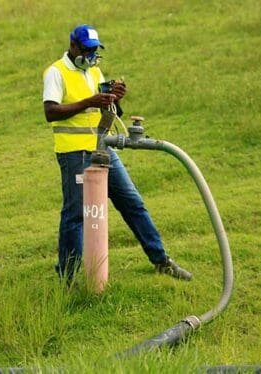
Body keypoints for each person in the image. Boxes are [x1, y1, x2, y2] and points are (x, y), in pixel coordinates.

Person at [42, 24, 192, 284]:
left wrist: (115, 98)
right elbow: (50, 112)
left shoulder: (94, 71)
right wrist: (89, 102)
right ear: (73, 46)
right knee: (75, 215)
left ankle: (161, 260)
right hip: (74, 154)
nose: (91, 57)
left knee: (132, 202)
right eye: (87, 51)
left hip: (103, 147)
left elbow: (109, 113)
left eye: (95, 52)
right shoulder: (56, 72)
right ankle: (67, 278)